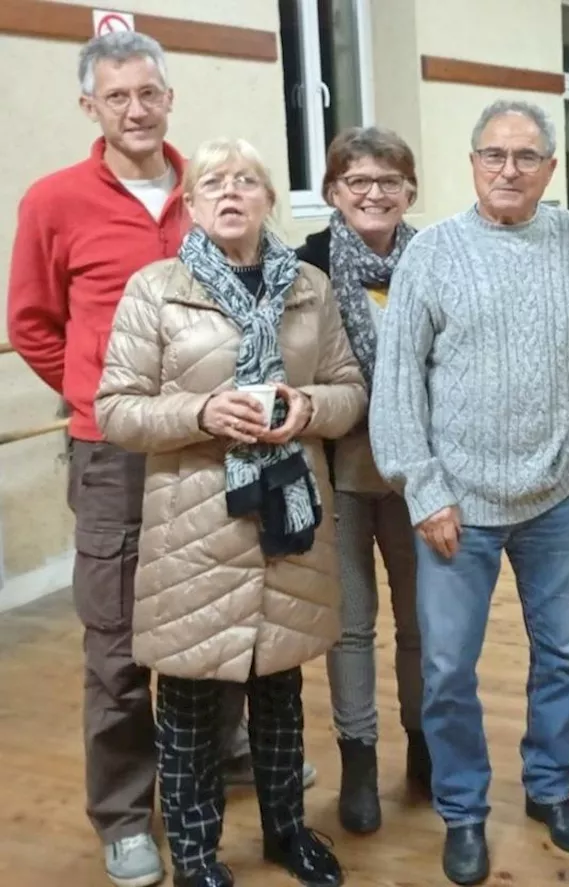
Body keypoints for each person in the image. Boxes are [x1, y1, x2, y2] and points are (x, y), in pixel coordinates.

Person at [3, 32, 311, 887]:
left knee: (215, 611)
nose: (135, 109)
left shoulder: (209, 187)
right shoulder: (54, 201)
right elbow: (32, 321)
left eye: (148, 92)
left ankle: (219, 764)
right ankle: (124, 814)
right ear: (90, 108)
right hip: (114, 455)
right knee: (116, 640)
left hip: (217, 446)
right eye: (116, 96)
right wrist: (99, 394)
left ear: (168, 97)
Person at [95, 136, 364, 887]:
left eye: (247, 180)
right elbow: (115, 409)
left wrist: (307, 405)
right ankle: (197, 855)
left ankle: (287, 832)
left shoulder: (308, 285)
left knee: (280, 687)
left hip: (288, 518)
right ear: (192, 202)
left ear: (269, 199)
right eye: (214, 181)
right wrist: (203, 411)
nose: (231, 192)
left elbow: (348, 391)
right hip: (195, 526)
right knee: (187, 698)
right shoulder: (155, 289)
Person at [369, 99, 569, 886]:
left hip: (555, 496)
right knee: (446, 668)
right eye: (493, 154)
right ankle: (464, 809)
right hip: (457, 506)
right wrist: (424, 488)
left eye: (526, 156)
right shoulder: (433, 254)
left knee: (565, 656)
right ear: (472, 163)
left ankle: (550, 787)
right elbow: (397, 382)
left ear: (550, 167)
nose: (509, 169)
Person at [295, 125, 431, 835]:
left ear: (410, 191)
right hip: (336, 474)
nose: (374, 193)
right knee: (350, 628)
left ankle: (424, 747)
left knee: (422, 622)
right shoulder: (304, 266)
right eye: (358, 181)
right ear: (332, 192)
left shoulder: (436, 257)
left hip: (419, 476)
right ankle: (359, 760)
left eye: (389, 180)